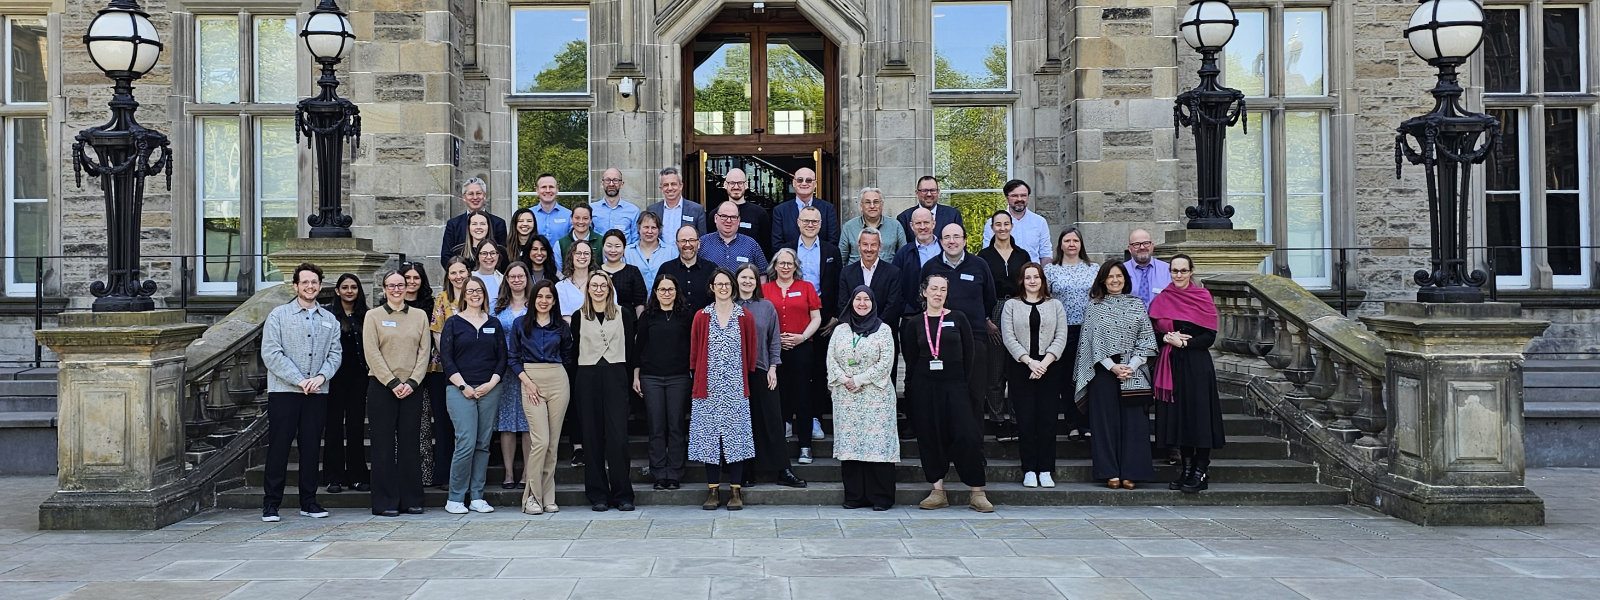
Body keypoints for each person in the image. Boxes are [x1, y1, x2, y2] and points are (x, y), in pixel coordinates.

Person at [901, 274, 991, 513]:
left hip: (956, 385)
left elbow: (970, 355)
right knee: (931, 436)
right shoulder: (914, 323)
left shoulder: (958, 318)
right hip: (925, 387)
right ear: (924, 292)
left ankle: (977, 492)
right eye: (934, 289)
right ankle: (938, 490)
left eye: (942, 289)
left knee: (967, 435)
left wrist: (963, 385)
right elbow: (910, 358)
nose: (938, 293)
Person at [259, 263, 341, 522]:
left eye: (314, 282)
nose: (310, 286)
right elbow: (271, 353)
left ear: (320, 285)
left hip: (317, 392)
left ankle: (309, 501)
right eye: (304, 282)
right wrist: (298, 380)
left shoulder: (329, 319)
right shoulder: (278, 315)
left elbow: (335, 354)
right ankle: (271, 503)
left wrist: (320, 377)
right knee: (279, 449)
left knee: (311, 448)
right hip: (285, 392)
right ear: (295, 286)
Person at [1073, 260, 1157, 489]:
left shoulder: (1136, 304)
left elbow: (1147, 338)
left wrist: (1133, 364)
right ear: (1102, 280)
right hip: (1104, 372)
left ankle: (1132, 472)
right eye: (1110, 276)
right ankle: (1109, 471)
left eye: (1119, 276)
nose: (1115, 280)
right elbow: (1091, 342)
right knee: (1105, 424)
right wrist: (1112, 366)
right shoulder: (1095, 306)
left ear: (1125, 279)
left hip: (1134, 371)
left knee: (1134, 424)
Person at [1150, 254, 1224, 494]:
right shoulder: (1162, 299)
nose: (1178, 275)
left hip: (1196, 365)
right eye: (1174, 271)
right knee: (1180, 418)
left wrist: (1185, 344)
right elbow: (1151, 333)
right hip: (1170, 365)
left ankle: (1201, 469)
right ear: (1169, 272)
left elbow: (1209, 336)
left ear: (1191, 272)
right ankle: (1187, 468)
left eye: (1183, 271)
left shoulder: (1202, 297)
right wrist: (1166, 338)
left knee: (1198, 417)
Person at [690, 267, 761, 511]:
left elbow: (751, 352)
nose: (723, 288)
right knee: (709, 441)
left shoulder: (744, 317)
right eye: (718, 284)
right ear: (711, 287)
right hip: (707, 389)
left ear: (733, 286)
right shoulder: (701, 316)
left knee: (736, 440)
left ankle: (735, 491)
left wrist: (742, 380)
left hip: (735, 388)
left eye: (727, 284)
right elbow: (694, 352)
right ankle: (712, 492)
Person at [364, 271, 432, 517]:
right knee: (382, 445)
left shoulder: (420, 316)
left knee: (409, 444)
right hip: (382, 387)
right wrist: (392, 382)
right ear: (383, 289)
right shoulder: (373, 316)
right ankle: (385, 501)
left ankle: (411, 498)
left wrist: (413, 381)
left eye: (400, 285)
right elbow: (371, 352)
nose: (396, 289)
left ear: (407, 288)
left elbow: (425, 352)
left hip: (412, 387)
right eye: (391, 285)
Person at [733, 262, 805, 488]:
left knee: (772, 419)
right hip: (735, 375)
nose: (747, 281)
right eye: (743, 277)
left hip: (763, 370)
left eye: (751, 278)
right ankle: (746, 470)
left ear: (757, 282)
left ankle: (783, 470)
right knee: (743, 423)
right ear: (736, 281)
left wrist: (773, 367)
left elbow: (774, 340)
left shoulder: (766, 307)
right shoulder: (728, 307)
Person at [571, 271, 638, 511]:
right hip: (587, 377)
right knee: (591, 437)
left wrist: (629, 379)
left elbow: (630, 349)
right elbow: (574, 350)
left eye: (603, 286)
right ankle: (598, 494)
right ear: (588, 289)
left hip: (615, 375)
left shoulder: (624, 314)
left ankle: (623, 494)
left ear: (610, 289)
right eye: (594, 285)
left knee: (618, 438)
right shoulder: (579, 316)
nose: (598, 289)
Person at [828, 286, 899, 510]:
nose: (861, 303)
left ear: (873, 303)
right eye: (857, 299)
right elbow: (831, 359)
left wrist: (858, 380)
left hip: (875, 397)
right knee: (851, 445)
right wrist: (844, 379)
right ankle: (855, 496)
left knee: (877, 445)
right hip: (846, 397)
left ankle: (881, 497)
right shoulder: (840, 330)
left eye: (866, 299)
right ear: (851, 302)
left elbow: (886, 363)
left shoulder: (884, 329)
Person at [1000, 263, 1071, 488]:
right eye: (1028, 277)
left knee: (1048, 421)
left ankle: (1046, 469)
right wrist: (1030, 362)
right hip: (1022, 368)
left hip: (1050, 367)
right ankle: (1029, 468)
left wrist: (1044, 363)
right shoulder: (1011, 305)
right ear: (1022, 281)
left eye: (1036, 277)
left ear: (1042, 280)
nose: (1032, 281)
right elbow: (1008, 337)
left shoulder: (1056, 305)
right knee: (1026, 420)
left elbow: (1061, 336)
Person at [508, 279, 576, 514]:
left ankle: (548, 497)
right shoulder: (520, 325)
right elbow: (512, 358)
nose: (544, 301)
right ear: (532, 299)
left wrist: (557, 375)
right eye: (540, 297)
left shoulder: (561, 326)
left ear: (554, 300)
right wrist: (528, 382)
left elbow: (568, 355)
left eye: (548, 297)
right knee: (541, 441)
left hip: (557, 379)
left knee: (553, 444)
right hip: (531, 381)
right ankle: (531, 498)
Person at [439, 276, 505, 515]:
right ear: (463, 295)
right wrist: (463, 386)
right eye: (470, 291)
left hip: (489, 388)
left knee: (483, 443)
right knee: (465, 442)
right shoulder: (454, 323)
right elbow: (446, 359)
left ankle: (477, 496)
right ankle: (455, 497)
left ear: (484, 294)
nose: (475, 294)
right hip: (459, 389)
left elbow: (502, 358)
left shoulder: (494, 323)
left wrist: (491, 383)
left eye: (479, 290)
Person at [921, 222, 998, 425]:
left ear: (965, 240)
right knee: (945, 396)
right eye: (947, 237)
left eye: (956, 237)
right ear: (940, 241)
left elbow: (990, 298)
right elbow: (922, 299)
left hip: (975, 338)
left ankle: (974, 452)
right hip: (941, 342)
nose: (952, 241)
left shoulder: (979, 265)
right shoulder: (931, 267)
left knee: (974, 394)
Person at [634, 272, 693, 491]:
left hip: (679, 377)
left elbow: (693, 346)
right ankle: (659, 473)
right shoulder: (648, 316)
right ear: (655, 292)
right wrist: (636, 376)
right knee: (656, 426)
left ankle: (675, 473)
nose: (666, 293)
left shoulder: (686, 315)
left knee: (676, 425)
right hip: (651, 377)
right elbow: (638, 348)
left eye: (670, 289)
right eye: (662, 289)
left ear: (676, 291)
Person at [978, 210, 1032, 443]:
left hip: (1020, 308)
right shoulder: (984, 257)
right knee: (995, 369)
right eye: (997, 224)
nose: (1002, 228)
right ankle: (998, 420)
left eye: (1006, 224)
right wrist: (986, 320)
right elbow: (979, 291)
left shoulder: (1023, 255)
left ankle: (1018, 420)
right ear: (992, 228)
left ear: (1012, 227)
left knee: (1018, 367)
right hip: (995, 309)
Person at [764, 248, 823, 463]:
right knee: (777, 396)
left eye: (790, 263)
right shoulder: (765, 289)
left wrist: (803, 336)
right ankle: (777, 449)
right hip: (774, 351)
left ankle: (805, 447)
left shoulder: (806, 288)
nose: (786, 267)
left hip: (802, 349)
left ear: (796, 266)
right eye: (782, 263)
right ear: (775, 266)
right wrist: (774, 339)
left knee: (803, 397)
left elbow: (816, 317)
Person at [1043, 228, 1097, 441]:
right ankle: (1072, 424)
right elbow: (1045, 297)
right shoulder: (1051, 270)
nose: (1072, 244)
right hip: (1062, 331)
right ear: (1061, 245)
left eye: (1075, 240)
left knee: (1086, 376)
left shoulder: (1093, 269)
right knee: (1067, 378)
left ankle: (1087, 423)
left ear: (1081, 244)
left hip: (1088, 329)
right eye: (1067, 240)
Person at [427, 258, 474, 488]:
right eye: (453, 272)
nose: (458, 276)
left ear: (469, 272)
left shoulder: (476, 297)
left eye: (461, 271)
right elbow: (436, 332)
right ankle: (445, 475)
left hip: (472, 369)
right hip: (443, 369)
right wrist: (450, 361)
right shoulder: (442, 299)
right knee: (445, 423)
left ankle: (467, 475)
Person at [323, 273, 371, 495]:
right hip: (334, 377)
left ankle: (357, 476)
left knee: (355, 427)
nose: (349, 291)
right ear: (337, 291)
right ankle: (333, 476)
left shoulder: (366, 315)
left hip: (359, 377)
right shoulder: (329, 315)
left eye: (354, 287)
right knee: (333, 427)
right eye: (345, 287)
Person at [492, 262, 533, 490]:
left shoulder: (535, 305)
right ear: (506, 280)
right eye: (512, 276)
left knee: (528, 422)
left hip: (529, 369)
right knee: (507, 423)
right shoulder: (497, 308)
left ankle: (527, 472)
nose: (517, 280)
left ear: (527, 278)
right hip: (504, 371)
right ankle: (508, 473)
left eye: (521, 276)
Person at [781, 205, 842, 329]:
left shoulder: (832, 251)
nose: (810, 225)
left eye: (814, 221)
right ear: (798, 222)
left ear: (820, 224)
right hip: (793, 311)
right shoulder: (786, 250)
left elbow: (839, 284)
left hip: (824, 314)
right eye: (806, 221)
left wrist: (836, 316)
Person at [440, 178, 507, 269]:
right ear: (464, 197)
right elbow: (445, 257)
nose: (475, 197)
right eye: (471, 194)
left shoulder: (498, 223)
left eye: (478, 193)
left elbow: (503, 256)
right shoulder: (453, 224)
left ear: (484, 195)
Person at [981, 179, 1053, 262]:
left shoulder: (1040, 222)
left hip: (1032, 273)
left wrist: (1043, 274)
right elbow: (987, 254)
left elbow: (1046, 254)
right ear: (1006, 198)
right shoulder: (993, 223)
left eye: (1023, 195)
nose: (1019, 199)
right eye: (1014, 196)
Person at [771, 167, 840, 249]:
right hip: (791, 260)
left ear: (815, 184)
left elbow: (833, 241)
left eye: (809, 180)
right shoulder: (780, 211)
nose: (804, 183)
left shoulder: (828, 209)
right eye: (800, 180)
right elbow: (777, 244)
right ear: (794, 183)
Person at [892, 207, 942, 317]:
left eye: (926, 222)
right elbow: (895, 286)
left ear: (933, 224)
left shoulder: (945, 249)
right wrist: (906, 309)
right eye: (918, 223)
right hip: (912, 317)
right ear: (911, 226)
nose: (922, 227)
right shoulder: (903, 254)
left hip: (944, 314)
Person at [840, 187, 907, 263]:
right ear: (861, 206)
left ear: (882, 205)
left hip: (887, 274)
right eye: (867, 202)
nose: (872, 206)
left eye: (876, 202)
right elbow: (841, 259)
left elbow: (903, 257)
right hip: (856, 274)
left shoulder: (895, 226)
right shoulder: (849, 227)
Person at [701, 201, 769, 274]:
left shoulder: (751, 245)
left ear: (738, 220)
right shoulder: (702, 243)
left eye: (733, 217)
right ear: (716, 218)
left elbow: (763, 273)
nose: (728, 221)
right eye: (724, 216)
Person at [659, 224, 714, 310]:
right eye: (683, 241)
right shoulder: (666, 269)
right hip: (674, 322)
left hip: (704, 322)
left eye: (691, 240)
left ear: (698, 243)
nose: (687, 244)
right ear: (677, 244)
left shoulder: (712, 269)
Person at [723, 168, 771, 257]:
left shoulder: (760, 213)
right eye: (732, 183)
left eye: (740, 183)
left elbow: (766, 248)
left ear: (746, 185)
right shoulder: (716, 214)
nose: (736, 187)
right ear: (725, 185)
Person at [897, 176, 960, 243]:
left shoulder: (953, 215)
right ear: (917, 193)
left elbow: (960, 245)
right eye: (924, 191)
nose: (929, 194)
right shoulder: (904, 218)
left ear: (938, 192)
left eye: (933, 190)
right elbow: (902, 249)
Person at [529, 174, 573, 269]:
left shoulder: (569, 215)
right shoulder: (529, 215)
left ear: (557, 189)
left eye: (551, 187)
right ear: (537, 190)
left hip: (561, 268)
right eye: (544, 187)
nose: (548, 190)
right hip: (534, 268)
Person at [599, 229, 648, 315]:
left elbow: (640, 303)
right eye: (609, 246)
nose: (613, 250)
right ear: (603, 247)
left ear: (624, 248)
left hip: (628, 322)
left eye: (617, 246)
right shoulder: (596, 271)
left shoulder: (633, 272)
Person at [647, 167, 706, 235]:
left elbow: (702, 239)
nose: (670, 188)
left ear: (681, 186)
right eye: (666, 185)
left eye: (673, 184)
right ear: (661, 188)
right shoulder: (652, 210)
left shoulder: (696, 210)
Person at [627, 211, 676, 293]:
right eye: (646, 227)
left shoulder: (671, 252)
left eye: (654, 228)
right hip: (634, 302)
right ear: (639, 228)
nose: (649, 231)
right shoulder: (627, 252)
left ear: (659, 230)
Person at [592, 168, 640, 244]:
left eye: (615, 180)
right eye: (607, 180)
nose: (611, 184)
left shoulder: (633, 211)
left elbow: (636, 240)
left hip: (625, 255)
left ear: (622, 184)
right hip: (598, 255)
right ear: (602, 183)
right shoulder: (592, 209)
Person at [1124, 228, 1171, 307]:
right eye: (1136, 244)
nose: (1142, 247)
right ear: (1129, 249)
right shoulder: (1120, 271)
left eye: (1146, 243)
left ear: (1152, 246)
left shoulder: (1168, 270)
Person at [556, 242, 599, 320]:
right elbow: (565, 318)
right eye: (578, 253)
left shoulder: (601, 283)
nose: (582, 256)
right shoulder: (561, 287)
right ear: (571, 256)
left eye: (586, 253)